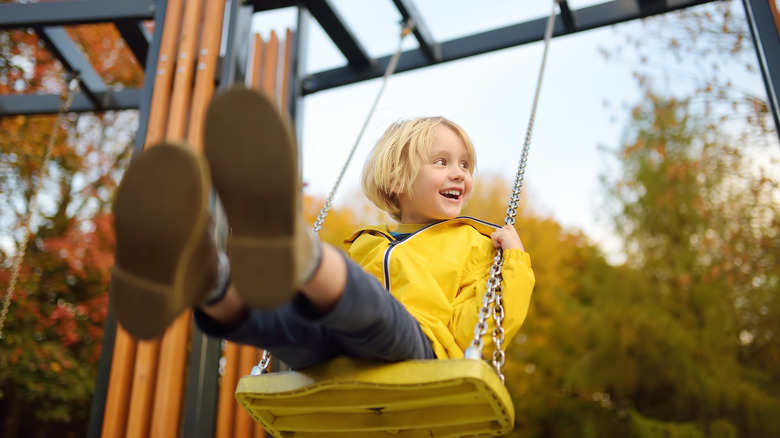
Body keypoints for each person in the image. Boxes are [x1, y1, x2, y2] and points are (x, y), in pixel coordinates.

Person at [110, 87, 535, 369]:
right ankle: (207, 280)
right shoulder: (369, 243)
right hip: (338, 356)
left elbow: (478, 329)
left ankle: (297, 248)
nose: (459, 173)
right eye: (441, 162)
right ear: (396, 179)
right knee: (290, 326)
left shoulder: (477, 245)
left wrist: (512, 259)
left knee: (372, 309)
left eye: (465, 164)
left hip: (418, 351)